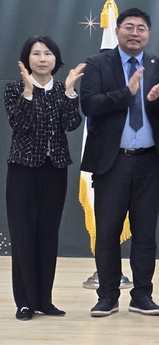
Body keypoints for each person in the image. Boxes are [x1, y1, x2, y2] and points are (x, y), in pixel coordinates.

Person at [80, 7, 159, 317]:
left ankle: (142, 295)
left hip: (150, 162)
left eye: (141, 28)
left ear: (149, 34)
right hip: (112, 162)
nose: (135, 33)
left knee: (145, 233)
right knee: (108, 232)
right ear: (118, 30)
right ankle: (107, 295)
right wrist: (127, 92)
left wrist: (156, 101)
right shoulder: (97, 64)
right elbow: (89, 105)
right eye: (129, 27)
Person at [4, 36, 84, 320]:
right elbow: (20, 124)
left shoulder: (62, 89)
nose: (42, 58)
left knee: (48, 235)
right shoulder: (15, 89)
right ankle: (25, 302)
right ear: (27, 60)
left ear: (55, 59)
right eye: (35, 53)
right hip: (23, 171)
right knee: (23, 235)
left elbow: (72, 124)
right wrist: (28, 93)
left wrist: (71, 92)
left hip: (55, 170)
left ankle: (44, 301)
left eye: (47, 53)